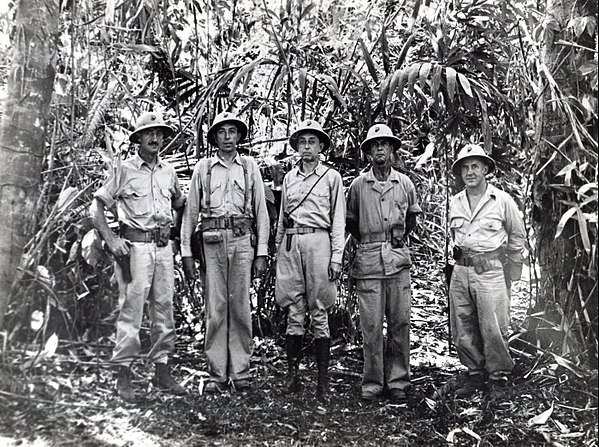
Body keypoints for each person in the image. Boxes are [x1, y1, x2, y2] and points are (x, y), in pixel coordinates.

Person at [90, 109, 187, 401]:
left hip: (163, 249)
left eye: (159, 134)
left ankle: (161, 370)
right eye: (149, 133)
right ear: (138, 138)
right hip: (135, 250)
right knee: (131, 312)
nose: (155, 138)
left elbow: (180, 204)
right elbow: (96, 208)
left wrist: (176, 237)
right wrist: (111, 239)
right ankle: (123, 373)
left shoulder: (168, 171)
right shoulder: (124, 170)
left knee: (164, 308)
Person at [180, 112, 269, 393]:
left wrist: (262, 253)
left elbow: (261, 213)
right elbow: (190, 213)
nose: (228, 137)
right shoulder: (203, 169)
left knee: (241, 307)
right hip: (212, 243)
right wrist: (187, 254)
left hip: (242, 242)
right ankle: (217, 373)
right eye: (222, 132)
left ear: (240, 136)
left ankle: (241, 371)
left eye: (233, 131)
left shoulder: (249, 166)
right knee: (216, 308)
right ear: (214, 137)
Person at [346, 124, 421, 403]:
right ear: (368, 152)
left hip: (398, 259)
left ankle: (398, 380)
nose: (379, 149)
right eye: (374, 145)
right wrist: (372, 241)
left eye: (384, 144)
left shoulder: (405, 184)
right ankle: (373, 381)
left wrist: (396, 240)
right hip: (368, 260)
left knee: (400, 322)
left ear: (392, 150)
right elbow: (351, 221)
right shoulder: (357, 185)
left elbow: (411, 218)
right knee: (372, 326)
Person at [274, 120, 345, 398]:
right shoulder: (289, 178)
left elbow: (338, 221)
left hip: (319, 242)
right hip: (291, 243)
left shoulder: (331, 178)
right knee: (294, 308)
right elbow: (282, 218)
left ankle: (322, 380)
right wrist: (278, 250)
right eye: (302, 142)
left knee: (319, 310)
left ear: (321, 147)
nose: (306, 147)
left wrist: (336, 257)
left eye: (312, 142)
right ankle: (292, 375)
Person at [448, 143, 526, 396]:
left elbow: (517, 236)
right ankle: (474, 373)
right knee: (462, 324)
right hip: (461, 270)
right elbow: (453, 237)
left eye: (475, 167)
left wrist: (513, 269)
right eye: (465, 168)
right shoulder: (455, 202)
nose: (470, 172)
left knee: (493, 326)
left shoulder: (502, 201)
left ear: (485, 170)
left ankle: (498, 377)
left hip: (490, 270)